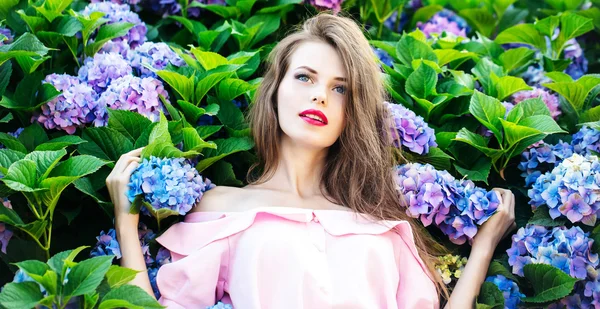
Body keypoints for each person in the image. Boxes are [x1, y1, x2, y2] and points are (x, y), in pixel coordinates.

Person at [106, 12, 516, 309]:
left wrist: (482, 249)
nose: (319, 95)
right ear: (275, 91)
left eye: (341, 89)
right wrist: (126, 223)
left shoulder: (381, 222)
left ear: (352, 111)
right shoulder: (221, 211)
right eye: (304, 77)